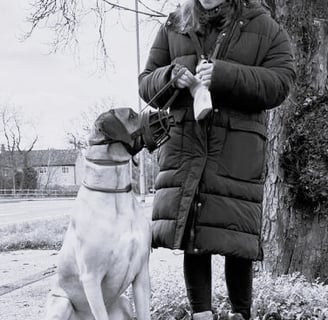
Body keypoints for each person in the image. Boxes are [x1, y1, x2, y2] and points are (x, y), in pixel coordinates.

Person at [138, 0, 295, 319]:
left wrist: (223, 75)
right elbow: (146, 83)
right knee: (194, 236)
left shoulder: (263, 25)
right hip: (186, 144)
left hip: (238, 147)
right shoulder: (174, 24)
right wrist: (169, 76)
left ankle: (241, 313)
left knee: (237, 239)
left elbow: (280, 84)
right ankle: (202, 315)